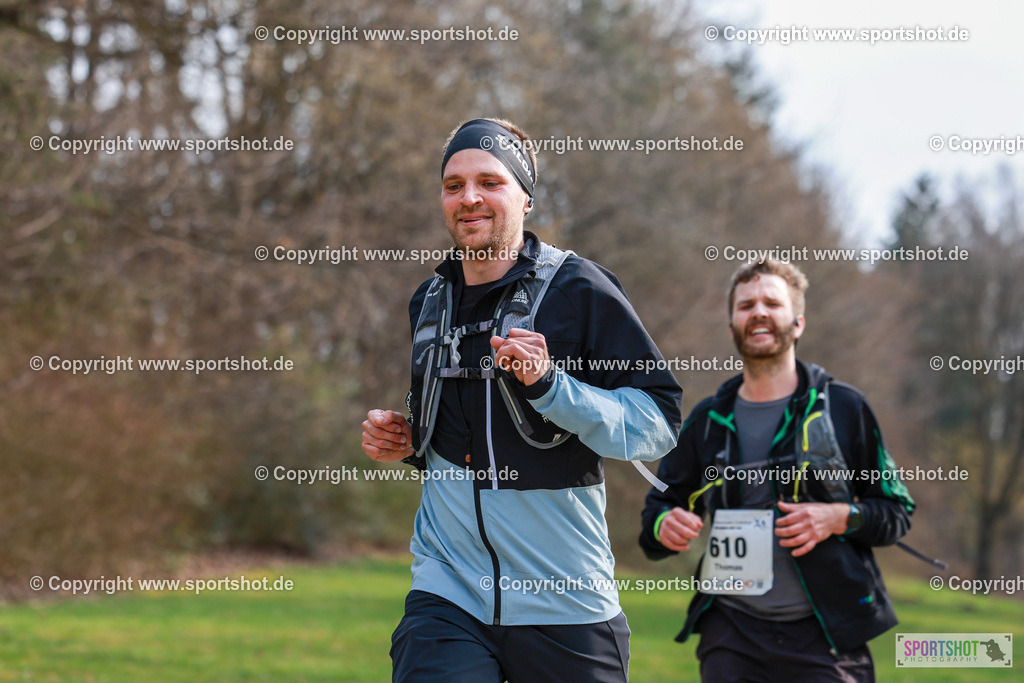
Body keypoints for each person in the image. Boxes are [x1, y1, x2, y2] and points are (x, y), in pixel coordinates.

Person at [361, 117, 683, 682]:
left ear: (526, 197)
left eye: (490, 181)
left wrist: (552, 386)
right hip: (448, 591)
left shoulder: (580, 289)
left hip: (566, 599)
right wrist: (412, 439)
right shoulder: (429, 301)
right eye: (454, 185)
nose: (469, 198)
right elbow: (463, 434)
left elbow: (657, 424)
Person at [639, 260, 915, 682]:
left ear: (798, 322)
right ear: (732, 327)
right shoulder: (707, 421)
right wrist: (664, 525)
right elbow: (658, 511)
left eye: (772, 303)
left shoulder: (843, 408)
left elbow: (896, 512)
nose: (759, 312)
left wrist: (839, 517)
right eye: (746, 305)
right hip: (730, 633)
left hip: (825, 636)